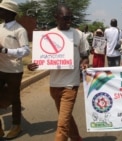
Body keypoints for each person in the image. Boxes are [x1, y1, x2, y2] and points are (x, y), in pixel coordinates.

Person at [27, 3, 89, 141]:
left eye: (71, 18)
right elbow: (42, 59)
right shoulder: (48, 36)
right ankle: (76, 137)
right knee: (65, 117)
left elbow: (85, 56)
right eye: (66, 18)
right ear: (56, 17)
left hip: (70, 85)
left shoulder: (78, 35)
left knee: (61, 125)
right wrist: (33, 66)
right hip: (54, 85)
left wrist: (84, 64)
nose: (69, 21)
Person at [0, 0, 30, 139]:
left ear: (10, 13)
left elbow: (25, 51)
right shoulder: (0, 27)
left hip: (14, 71)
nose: (0, 12)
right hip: (0, 68)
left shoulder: (20, 30)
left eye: (2, 10)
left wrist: (6, 50)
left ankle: (16, 125)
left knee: (14, 98)